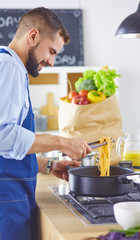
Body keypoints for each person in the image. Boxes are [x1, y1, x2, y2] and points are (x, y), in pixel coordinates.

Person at [0, 7, 91, 240]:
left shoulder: (14, 69)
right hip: (6, 201)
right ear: (33, 36)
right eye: (51, 51)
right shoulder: (9, 67)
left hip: (12, 196)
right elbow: (4, 136)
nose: (51, 62)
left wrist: (48, 166)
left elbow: (8, 153)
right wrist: (62, 142)